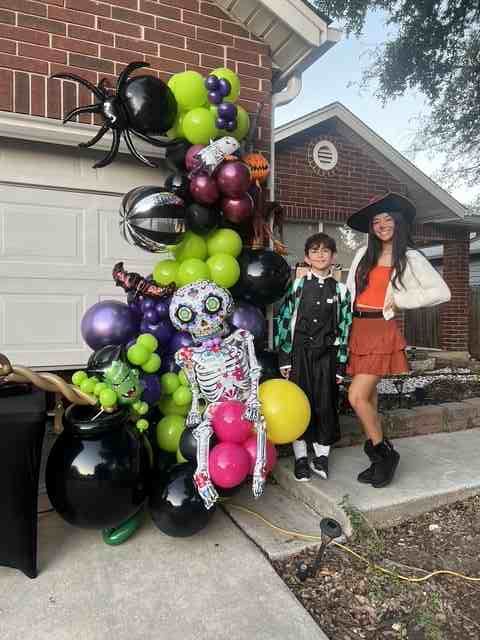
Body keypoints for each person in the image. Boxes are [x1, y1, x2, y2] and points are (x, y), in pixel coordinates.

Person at [345, 192, 451, 488]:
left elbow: (442, 292)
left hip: (381, 330)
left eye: (387, 219)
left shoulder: (411, 256)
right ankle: (377, 460)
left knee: (355, 396)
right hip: (358, 329)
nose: (381, 225)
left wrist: (401, 300)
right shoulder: (362, 254)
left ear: (398, 222)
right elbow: (350, 294)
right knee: (369, 399)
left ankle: (385, 454)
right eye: (376, 221)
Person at [274, 233, 352, 482]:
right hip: (299, 354)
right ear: (307, 257)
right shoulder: (296, 287)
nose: (320, 255)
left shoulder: (341, 291)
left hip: (327, 356)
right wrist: (285, 357)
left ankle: (321, 456)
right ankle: (300, 458)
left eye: (325, 251)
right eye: (315, 251)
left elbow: (345, 329)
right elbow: (285, 322)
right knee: (300, 403)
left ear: (333, 256)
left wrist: (340, 364)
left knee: (325, 404)